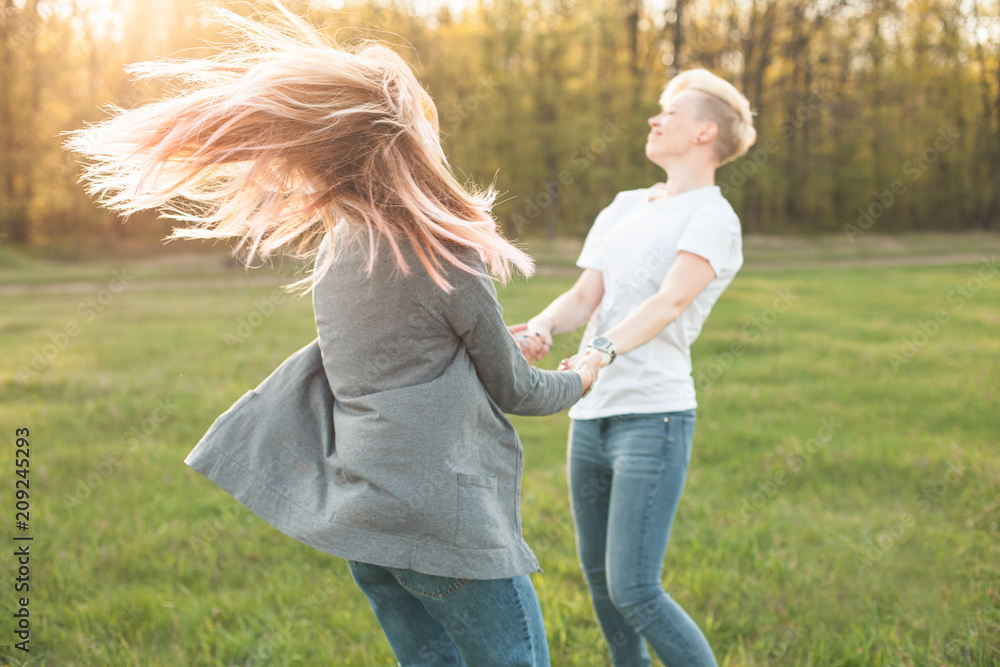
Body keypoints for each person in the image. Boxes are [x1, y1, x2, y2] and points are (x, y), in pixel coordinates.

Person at [64, 7, 602, 665]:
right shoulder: (443, 251)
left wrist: (494, 344)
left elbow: (398, 357)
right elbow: (517, 392)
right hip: (441, 523)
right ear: (405, 142)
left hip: (368, 522)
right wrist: (584, 374)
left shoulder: (340, 248)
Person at [511, 69, 756, 667]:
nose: (654, 119)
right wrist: (542, 325)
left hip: (654, 418)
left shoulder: (713, 217)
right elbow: (585, 295)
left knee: (636, 590)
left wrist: (600, 350)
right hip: (591, 415)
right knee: (601, 584)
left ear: (704, 131)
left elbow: (670, 301)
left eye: (669, 112)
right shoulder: (624, 205)